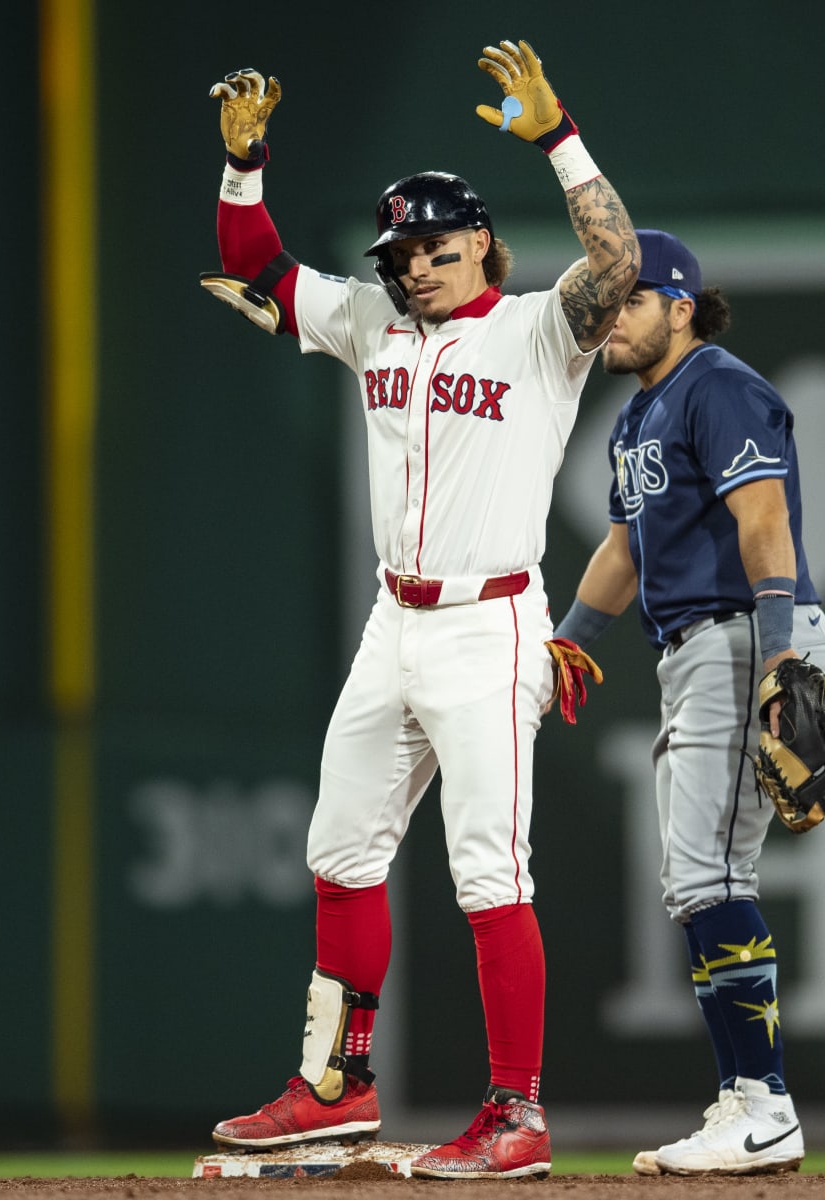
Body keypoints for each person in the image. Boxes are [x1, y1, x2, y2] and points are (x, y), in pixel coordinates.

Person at [199, 40, 639, 1180]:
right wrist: (243, 164)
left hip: (491, 625)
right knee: (341, 848)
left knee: (490, 873)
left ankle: (517, 1112)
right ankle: (335, 1089)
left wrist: (557, 135)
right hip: (392, 623)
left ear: (482, 240)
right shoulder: (371, 322)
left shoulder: (542, 330)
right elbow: (255, 260)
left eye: (438, 248)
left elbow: (621, 262)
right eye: (402, 252)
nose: (418, 268)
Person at [550, 229, 825, 1176]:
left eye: (629, 298)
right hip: (697, 648)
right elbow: (626, 550)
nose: (610, 315)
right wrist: (568, 640)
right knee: (697, 882)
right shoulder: (637, 418)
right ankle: (747, 1101)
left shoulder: (716, 385)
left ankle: (763, 1105)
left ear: (680, 303)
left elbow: (764, 519)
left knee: (710, 878)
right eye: (604, 299)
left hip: (744, 636)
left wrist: (779, 650)